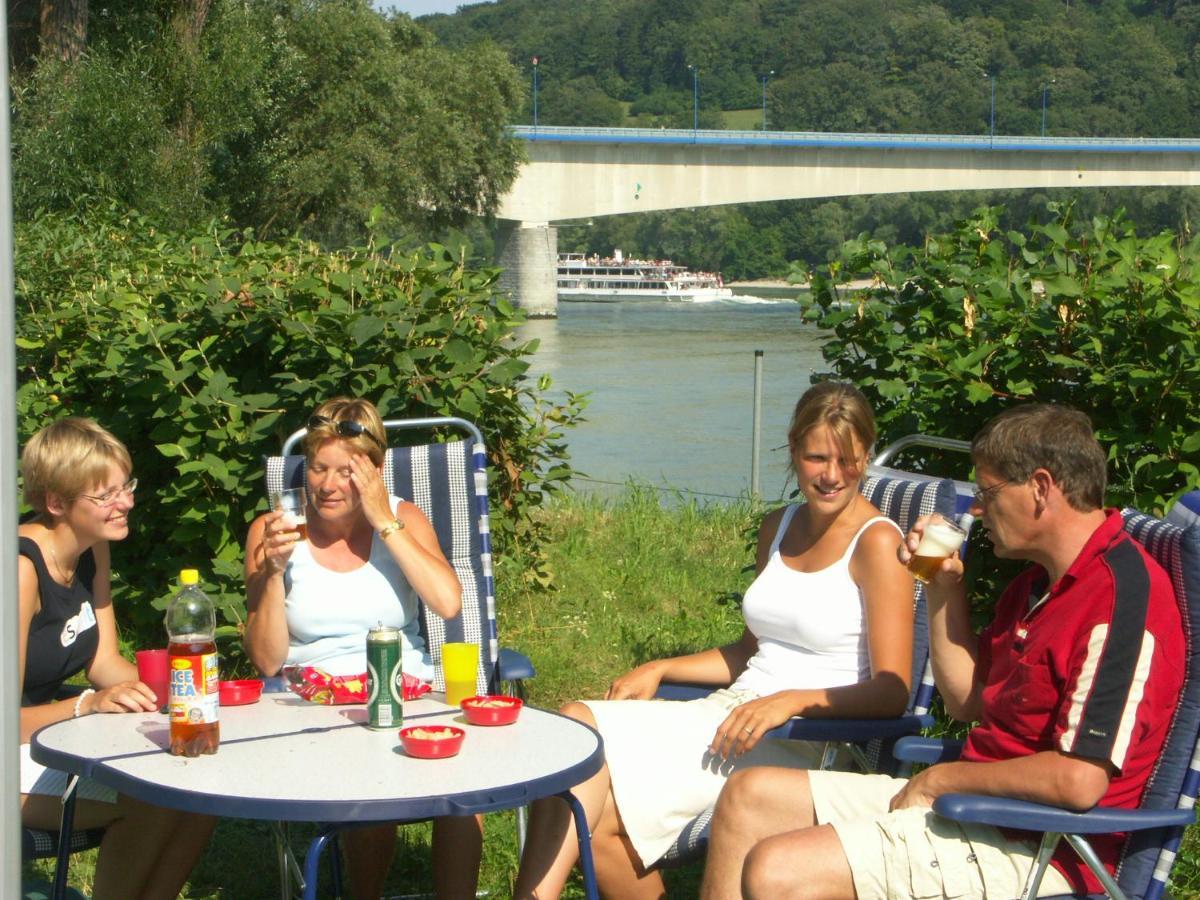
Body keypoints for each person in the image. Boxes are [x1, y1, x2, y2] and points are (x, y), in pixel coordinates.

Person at [701, 402, 1185, 900]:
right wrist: (940, 586)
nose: (976, 509)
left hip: (1043, 848)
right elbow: (965, 703)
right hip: (973, 815)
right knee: (748, 796)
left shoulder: (1120, 601)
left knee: (779, 870)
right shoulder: (1036, 586)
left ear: (1040, 488)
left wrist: (942, 780)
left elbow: (1080, 781)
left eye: (988, 492)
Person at [514, 382, 916, 899]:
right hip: (734, 716)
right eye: (817, 457)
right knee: (599, 806)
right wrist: (661, 667)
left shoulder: (877, 543)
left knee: (583, 732)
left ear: (865, 456)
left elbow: (892, 690)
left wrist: (789, 703)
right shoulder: (779, 526)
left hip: (804, 738)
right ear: (793, 452)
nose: (832, 475)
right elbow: (751, 652)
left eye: (848, 459)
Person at [243, 396, 479, 900]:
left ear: (375, 470)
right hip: (314, 706)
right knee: (371, 782)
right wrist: (273, 574)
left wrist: (384, 521)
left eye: (346, 472)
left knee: (466, 795)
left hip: (405, 693)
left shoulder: (402, 518)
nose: (328, 485)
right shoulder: (275, 531)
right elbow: (266, 660)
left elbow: (448, 603)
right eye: (317, 468)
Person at [18, 417, 216, 900]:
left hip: (43, 734)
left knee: (199, 790)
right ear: (56, 503)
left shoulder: (92, 549)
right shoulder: (20, 572)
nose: (125, 502)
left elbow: (105, 661)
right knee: (148, 800)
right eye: (104, 496)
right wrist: (89, 705)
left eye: (125, 486)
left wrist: (181, 690)